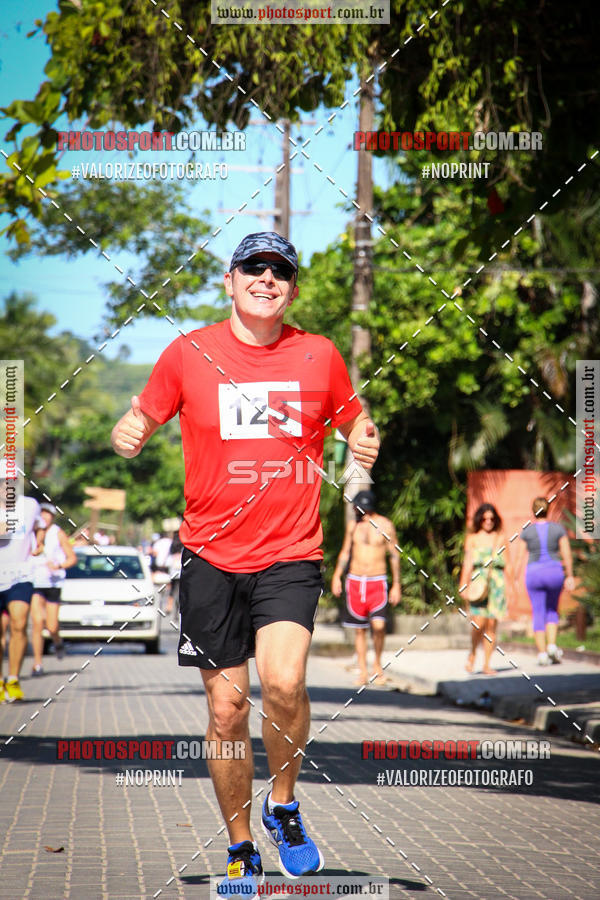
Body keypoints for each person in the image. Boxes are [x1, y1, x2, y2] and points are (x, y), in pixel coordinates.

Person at [111, 232, 379, 894]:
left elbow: (355, 420)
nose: (266, 278)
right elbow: (140, 418)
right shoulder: (188, 352)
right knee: (228, 711)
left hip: (290, 551)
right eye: (252, 267)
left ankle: (282, 805)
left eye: (279, 270)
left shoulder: (318, 355)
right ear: (229, 281)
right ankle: (240, 846)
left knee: (284, 684)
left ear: (292, 289)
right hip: (210, 556)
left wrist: (363, 438)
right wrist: (127, 433)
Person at [331, 490, 401, 685]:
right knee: (359, 629)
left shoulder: (385, 525)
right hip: (355, 581)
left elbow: (394, 555)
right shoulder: (353, 526)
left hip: (377, 581)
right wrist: (336, 576)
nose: (355, 510)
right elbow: (345, 552)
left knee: (379, 626)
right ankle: (363, 671)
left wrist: (396, 585)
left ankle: (377, 664)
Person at [514, 497, 575, 666]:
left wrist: (515, 579)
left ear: (533, 511)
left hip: (534, 574)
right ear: (548, 509)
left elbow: (519, 557)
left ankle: (542, 654)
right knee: (552, 609)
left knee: (538, 612)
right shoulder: (558, 529)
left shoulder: (527, 531)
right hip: (554, 572)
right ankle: (552, 646)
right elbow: (566, 553)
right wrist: (570, 575)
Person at [461, 502, 511, 675]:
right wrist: (463, 585)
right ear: (479, 520)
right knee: (478, 623)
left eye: (491, 519)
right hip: (478, 584)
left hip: (496, 584)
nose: (488, 522)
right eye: (485, 519)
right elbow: (467, 563)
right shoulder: (472, 539)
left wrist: (512, 587)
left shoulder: (501, 538)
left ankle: (487, 664)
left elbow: (508, 564)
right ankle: (472, 653)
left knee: (491, 624)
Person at [0, 494, 41, 702]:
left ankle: (13, 679)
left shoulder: (30, 504)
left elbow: (39, 526)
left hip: (20, 575)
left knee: (19, 624)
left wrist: (40, 542)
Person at [30, 502, 77, 675]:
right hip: (35, 582)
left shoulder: (58, 533)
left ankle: (57, 642)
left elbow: (72, 558)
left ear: (52, 517)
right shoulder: (31, 532)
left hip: (53, 583)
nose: (44, 517)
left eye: (47, 514)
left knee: (51, 626)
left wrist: (59, 566)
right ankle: (37, 663)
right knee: (37, 623)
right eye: (41, 513)